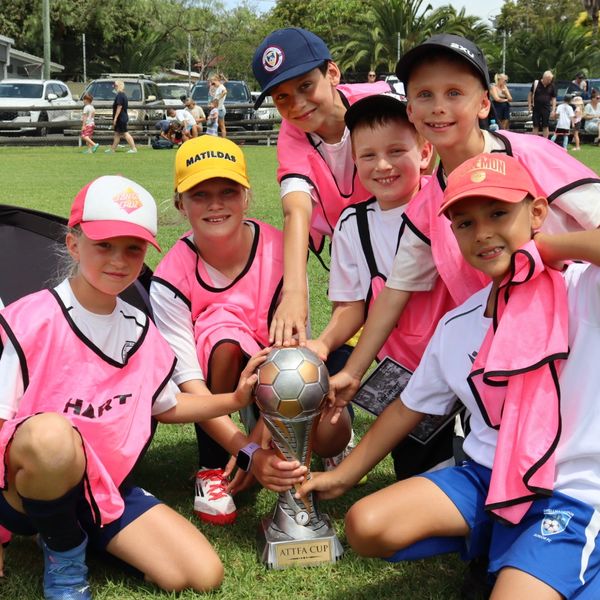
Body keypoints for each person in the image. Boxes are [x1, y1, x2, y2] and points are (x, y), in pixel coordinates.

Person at [299, 152, 600, 599]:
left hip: (568, 492)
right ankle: (502, 538)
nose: (483, 233)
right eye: (465, 223)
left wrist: (545, 250)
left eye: (498, 213)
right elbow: (408, 407)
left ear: (536, 211)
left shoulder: (582, 291)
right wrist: (344, 476)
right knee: (366, 526)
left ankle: (548, 554)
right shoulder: (460, 321)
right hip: (484, 475)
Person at [0, 174, 268, 597]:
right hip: (24, 491)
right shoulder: (30, 318)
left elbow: (167, 406)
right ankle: (65, 556)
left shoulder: (140, 327)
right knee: (50, 434)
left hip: (103, 486)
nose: (119, 261)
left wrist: (234, 400)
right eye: (103, 245)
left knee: (199, 575)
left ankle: (83, 537)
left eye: (133, 249)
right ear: (74, 244)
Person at [329, 33, 600, 431]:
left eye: (454, 92)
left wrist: (538, 250)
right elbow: (396, 292)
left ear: (484, 102)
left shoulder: (530, 156)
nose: (438, 108)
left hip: (581, 344)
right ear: (410, 109)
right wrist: (353, 372)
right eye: (424, 95)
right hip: (505, 358)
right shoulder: (427, 206)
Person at [149, 136, 351, 525]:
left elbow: (295, 360)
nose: (215, 204)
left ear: (246, 196)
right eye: (199, 194)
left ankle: (301, 447)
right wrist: (249, 454)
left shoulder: (281, 251)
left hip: (276, 377)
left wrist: (260, 443)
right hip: (220, 386)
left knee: (332, 433)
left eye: (228, 191)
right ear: (180, 203)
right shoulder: (169, 279)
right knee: (222, 338)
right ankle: (212, 467)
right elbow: (192, 389)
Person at [307, 93, 457, 479]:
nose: (383, 165)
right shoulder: (353, 225)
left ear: (425, 152)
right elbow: (351, 308)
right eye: (368, 155)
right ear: (355, 160)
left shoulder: (450, 203)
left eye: (396, 150)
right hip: (403, 377)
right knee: (419, 475)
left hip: (463, 366)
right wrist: (322, 345)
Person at [251, 27, 390, 347]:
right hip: (345, 236)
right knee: (351, 309)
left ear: (332, 73)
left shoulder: (380, 104)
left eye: (305, 86)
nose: (297, 104)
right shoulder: (292, 133)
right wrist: (294, 293)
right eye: (282, 96)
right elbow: (296, 209)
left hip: (396, 222)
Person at [105, 80, 137, 154]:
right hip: (122, 117)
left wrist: (115, 118)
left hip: (121, 118)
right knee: (117, 134)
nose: (114, 87)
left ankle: (134, 148)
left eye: (115, 86)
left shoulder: (120, 95)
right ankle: (112, 149)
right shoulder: (122, 95)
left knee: (125, 133)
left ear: (119, 86)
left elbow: (119, 107)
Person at [528, 70, 557, 139]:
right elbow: (530, 95)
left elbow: (554, 98)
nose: (549, 81)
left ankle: (545, 141)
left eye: (550, 80)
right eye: (548, 80)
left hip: (546, 108)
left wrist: (553, 110)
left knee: (545, 125)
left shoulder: (552, 86)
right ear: (544, 78)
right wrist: (529, 106)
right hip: (536, 108)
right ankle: (535, 141)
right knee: (535, 125)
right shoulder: (536, 83)